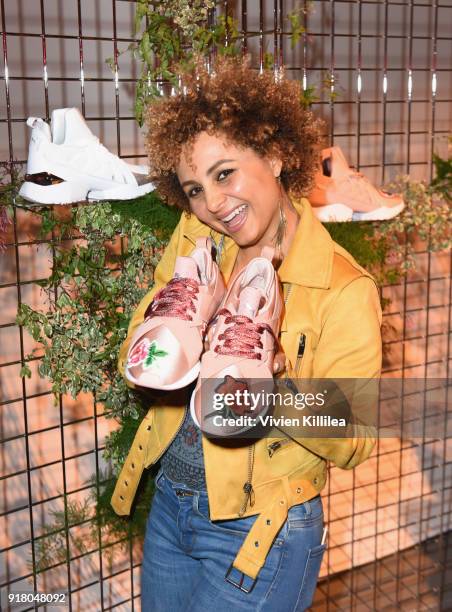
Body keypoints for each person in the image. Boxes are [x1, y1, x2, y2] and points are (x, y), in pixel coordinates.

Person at [111, 56, 382, 611]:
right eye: (193, 189)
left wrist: (272, 382)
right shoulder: (199, 239)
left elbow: (357, 440)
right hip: (172, 504)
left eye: (224, 173)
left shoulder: (343, 288)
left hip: (263, 530)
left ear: (276, 155)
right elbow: (139, 353)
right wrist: (164, 343)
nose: (211, 204)